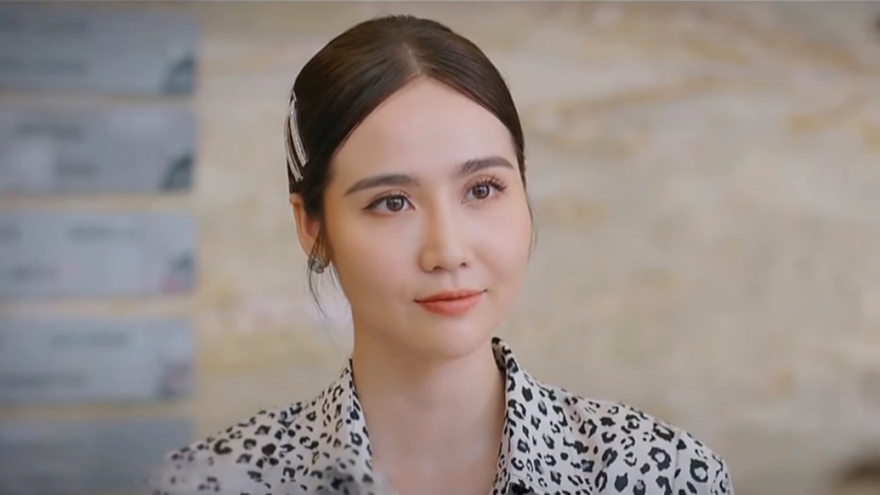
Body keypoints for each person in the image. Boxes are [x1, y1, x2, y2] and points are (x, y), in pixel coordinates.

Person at [150, 14, 735, 495]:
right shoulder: (214, 483)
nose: (448, 251)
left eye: (482, 190)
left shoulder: (661, 474)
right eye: (392, 202)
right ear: (312, 225)